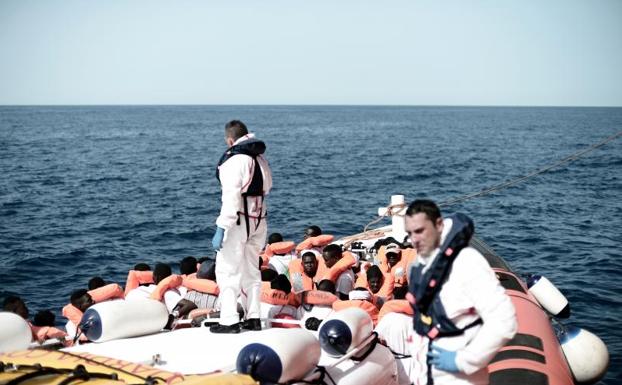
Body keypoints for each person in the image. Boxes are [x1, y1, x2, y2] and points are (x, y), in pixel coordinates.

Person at [405, 199, 517, 385]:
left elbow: (504, 320)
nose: (414, 239)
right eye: (410, 233)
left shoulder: (467, 262)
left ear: (438, 225)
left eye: (420, 231)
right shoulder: (423, 263)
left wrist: (464, 360)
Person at [210, 120, 273, 333]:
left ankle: (229, 320)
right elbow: (268, 187)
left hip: (238, 222)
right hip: (259, 221)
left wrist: (221, 228)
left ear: (230, 140)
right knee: (251, 270)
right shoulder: (260, 159)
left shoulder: (233, 162)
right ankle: (253, 317)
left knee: (227, 270)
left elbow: (231, 199)